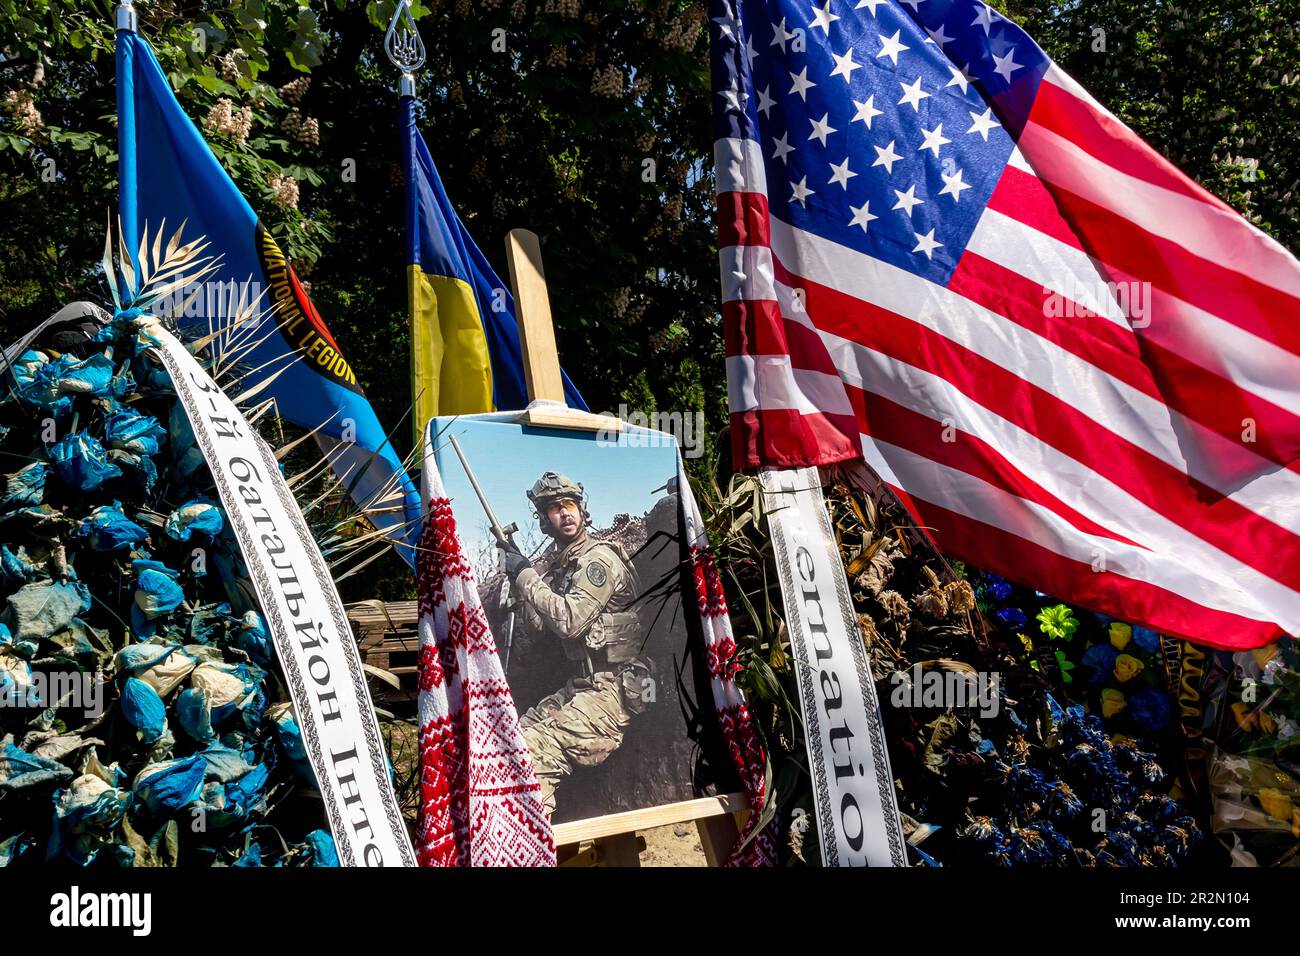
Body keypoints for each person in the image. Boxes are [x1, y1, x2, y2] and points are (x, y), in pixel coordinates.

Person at [498, 471, 653, 817]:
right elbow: (539, 629)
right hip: (582, 685)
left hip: (615, 690)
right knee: (510, 738)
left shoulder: (598, 560)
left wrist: (526, 576)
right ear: (543, 521)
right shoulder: (560, 567)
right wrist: (521, 581)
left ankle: (532, 843)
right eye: (555, 508)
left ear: (582, 511)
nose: (566, 513)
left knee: (533, 754)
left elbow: (569, 621)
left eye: (570, 505)